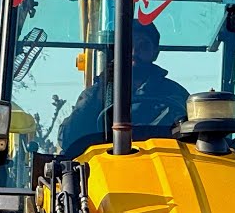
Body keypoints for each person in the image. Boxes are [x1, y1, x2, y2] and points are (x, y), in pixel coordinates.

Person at [57, 20, 190, 156]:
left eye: (143, 46)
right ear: (117, 50)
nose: (134, 52)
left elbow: (191, 138)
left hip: (166, 161)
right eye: (128, 45)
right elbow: (68, 139)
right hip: (104, 164)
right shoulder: (95, 94)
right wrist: (102, 89)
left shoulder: (176, 94)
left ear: (155, 52)